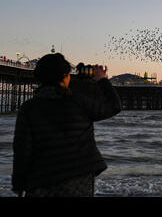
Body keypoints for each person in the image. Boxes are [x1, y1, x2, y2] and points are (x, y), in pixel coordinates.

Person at [12, 53, 122, 197]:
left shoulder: (28, 108)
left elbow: (22, 150)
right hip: (79, 178)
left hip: (42, 180)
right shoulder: (79, 102)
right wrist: (101, 79)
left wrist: (18, 184)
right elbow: (114, 106)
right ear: (65, 76)